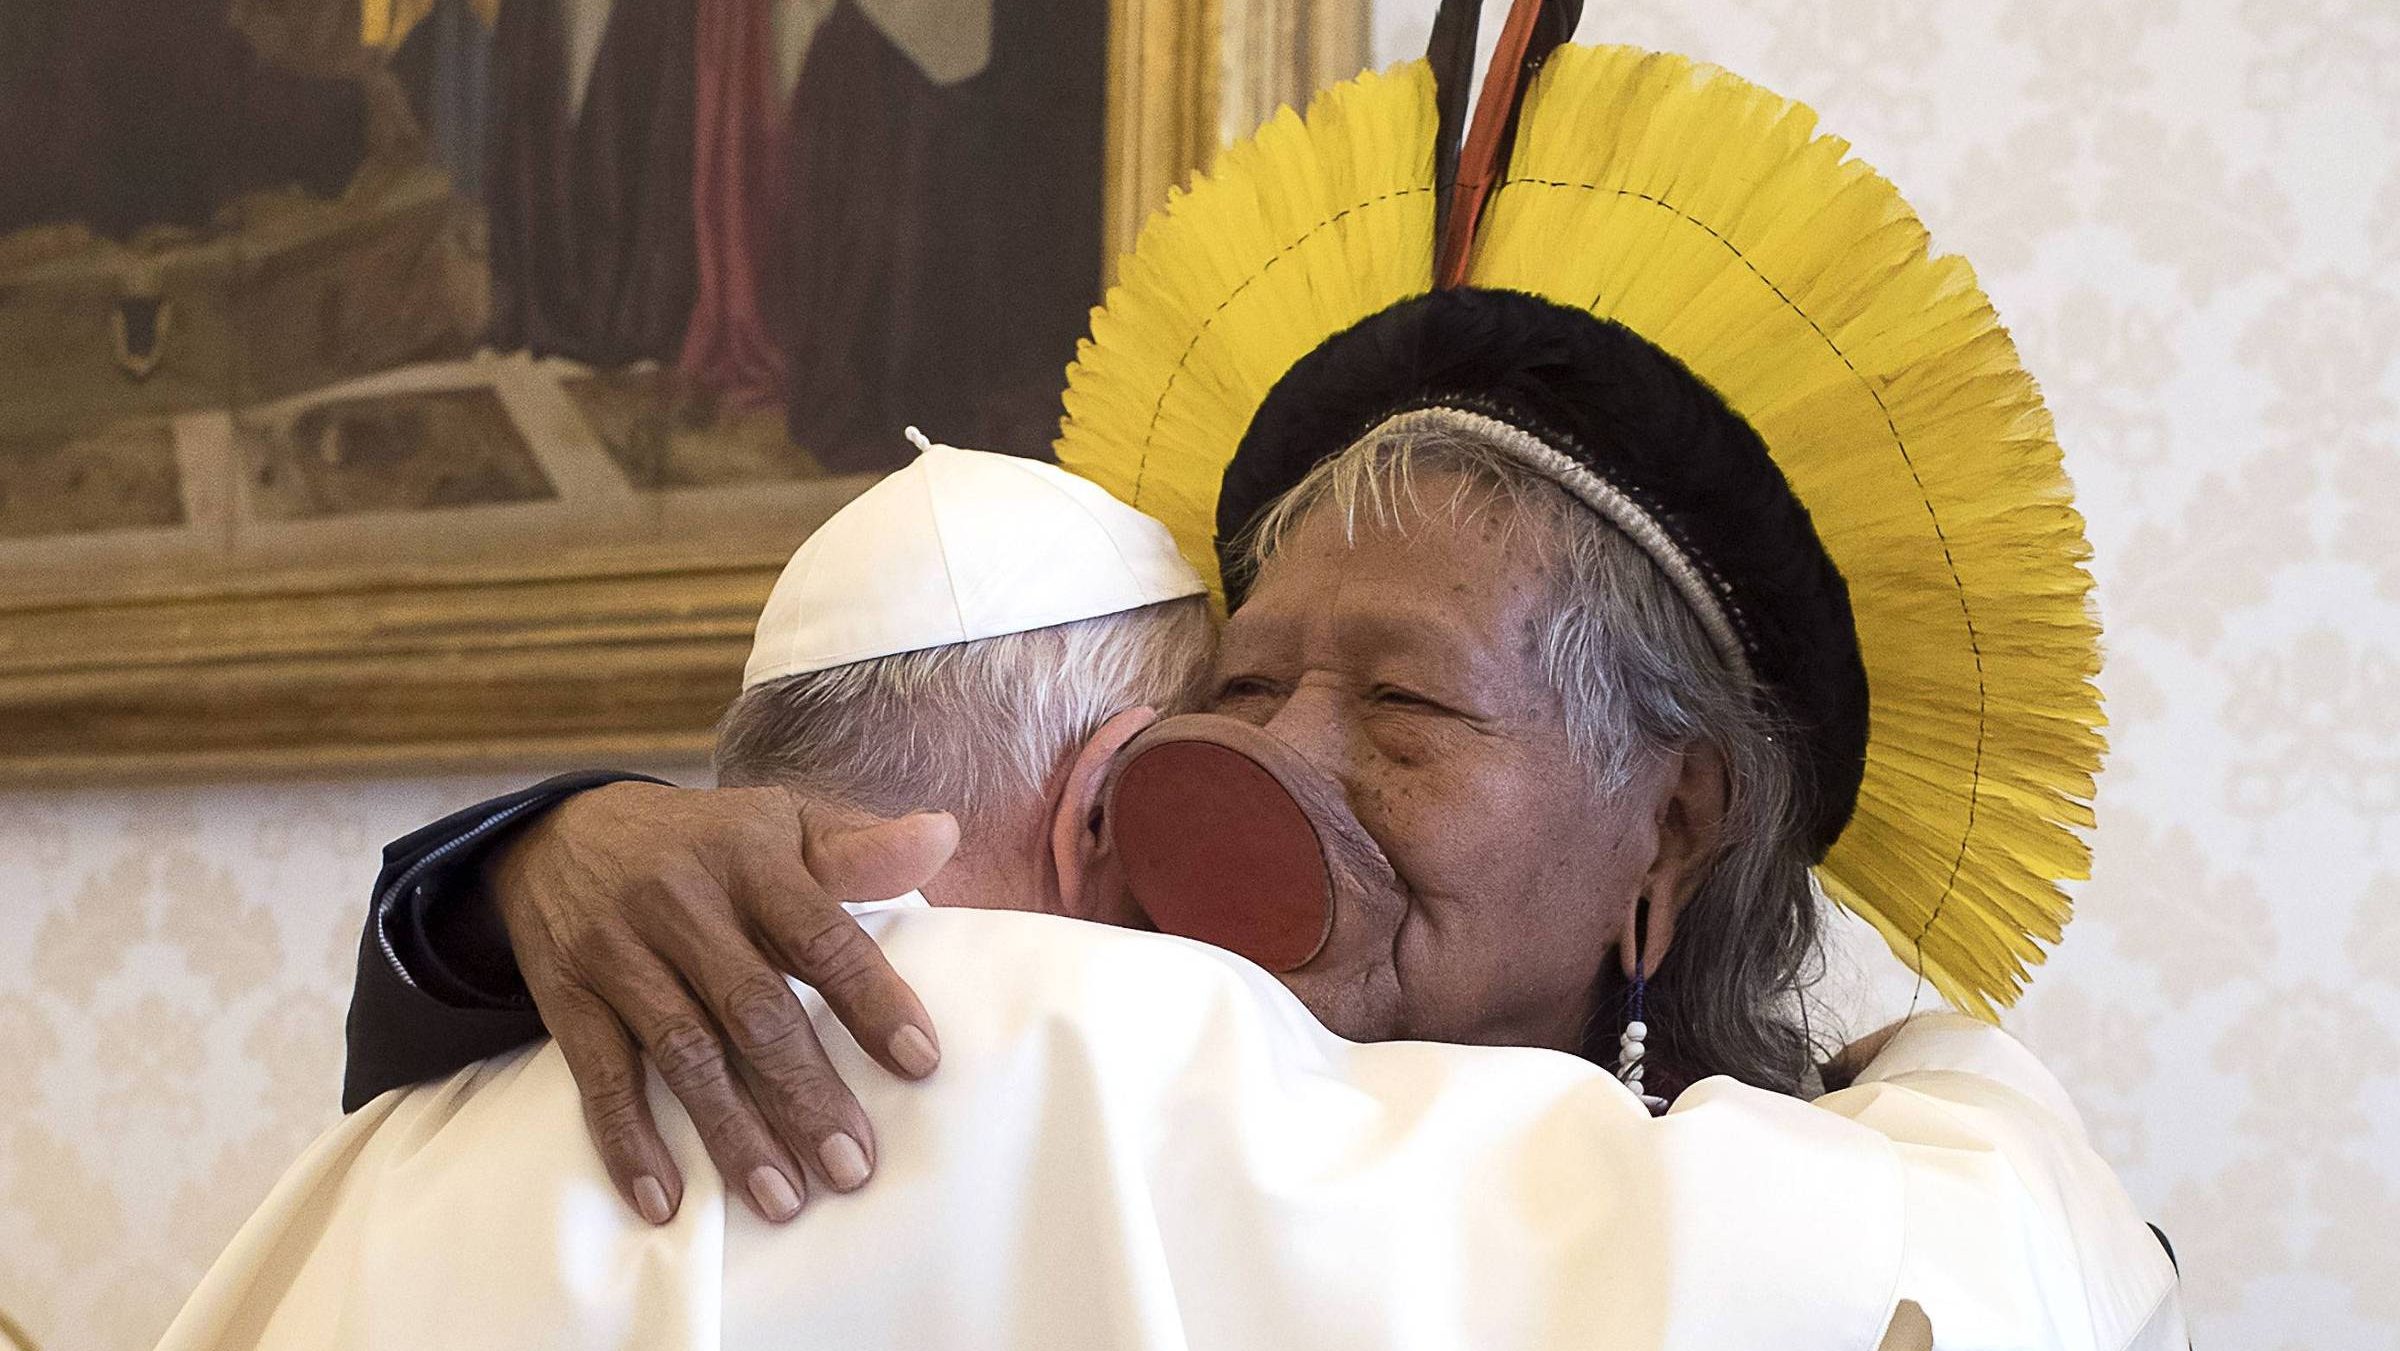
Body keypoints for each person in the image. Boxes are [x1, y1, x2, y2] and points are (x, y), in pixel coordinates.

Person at [159, 437, 2181, 1350]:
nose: (1281, 762)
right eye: (1235, 690)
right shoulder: (1093, 1055)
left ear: (1670, 831)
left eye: (1398, 705)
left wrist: (525, 850)